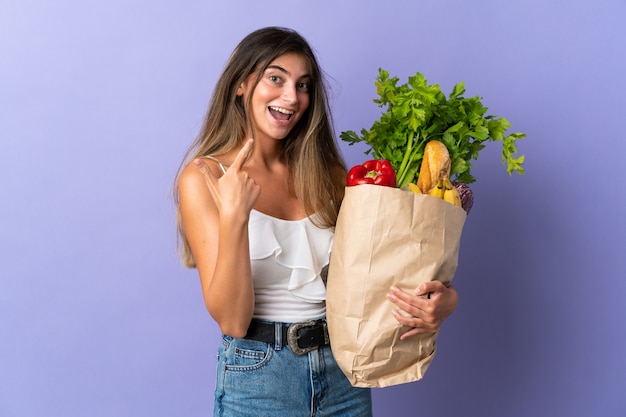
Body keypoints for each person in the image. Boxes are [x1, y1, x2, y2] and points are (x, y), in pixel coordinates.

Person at [174, 26, 459, 417]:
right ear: (241, 84)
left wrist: (445, 300)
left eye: (303, 85)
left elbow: (375, 272)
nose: (292, 97)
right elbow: (233, 320)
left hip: (343, 371)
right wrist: (235, 216)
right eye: (276, 78)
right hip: (260, 378)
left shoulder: (325, 172)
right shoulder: (204, 177)